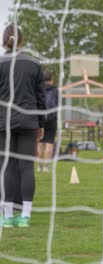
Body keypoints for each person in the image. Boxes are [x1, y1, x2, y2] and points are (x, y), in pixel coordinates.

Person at [0, 24, 45, 228]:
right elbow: (40, 98)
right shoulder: (34, 64)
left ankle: (8, 217)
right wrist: (41, 125)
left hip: (3, 123)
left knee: (7, 167)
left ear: (4, 40)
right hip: (29, 122)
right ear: (22, 41)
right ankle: (25, 215)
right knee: (27, 168)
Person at [37, 71, 58, 173]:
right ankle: (46, 166)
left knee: (40, 143)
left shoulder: (38, 89)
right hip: (52, 119)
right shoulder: (55, 90)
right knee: (49, 143)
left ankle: (39, 166)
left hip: (40, 119)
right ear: (51, 79)